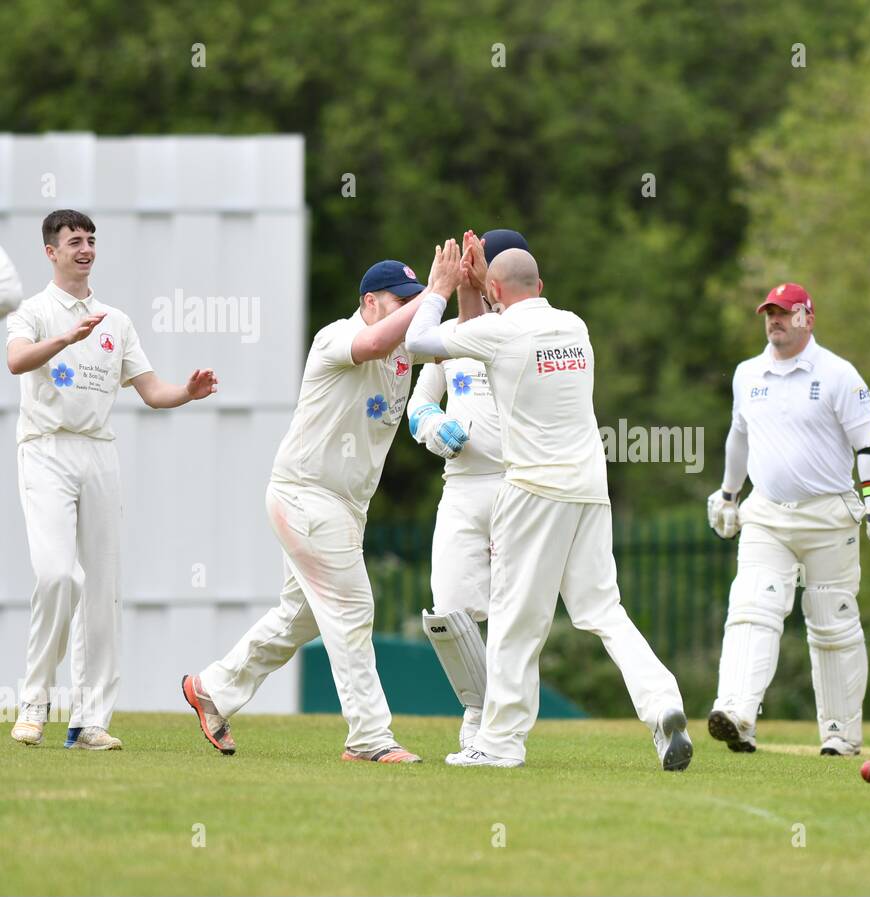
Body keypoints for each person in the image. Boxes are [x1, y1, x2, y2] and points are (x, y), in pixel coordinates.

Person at [405, 247, 692, 770]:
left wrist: (441, 288)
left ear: (495, 292)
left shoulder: (500, 332)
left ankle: (499, 745)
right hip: (589, 487)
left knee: (517, 620)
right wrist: (485, 286)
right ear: (539, 286)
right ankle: (663, 702)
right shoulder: (574, 326)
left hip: (534, 489)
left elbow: (418, 342)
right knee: (603, 610)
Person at [181, 247, 467, 763]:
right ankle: (369, 738)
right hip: (306, 494)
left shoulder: (405, 350)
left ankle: (212, 689)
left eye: (414, 301)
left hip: (344, 507)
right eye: (400, 300)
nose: (411, 310)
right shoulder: (338, 336)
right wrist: (435, 292)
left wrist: (468, 282)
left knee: (300, 616)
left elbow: (459, 337)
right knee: (354, 609)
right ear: (368, 302)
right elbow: (377, 339)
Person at [6, 210, 218, 751]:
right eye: (74, 241)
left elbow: (150, 391)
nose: (85, 248)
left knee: (102, 590)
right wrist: (63, 339)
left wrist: (187, 393)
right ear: (50, 251)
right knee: (58, 576)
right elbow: (15, 361)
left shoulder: (114, 320)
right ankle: (32, 705)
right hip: (46, 449)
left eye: (91, 240)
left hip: (98, 452)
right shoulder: (33, 312)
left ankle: (89, 720)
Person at [705, 282, 870, 756]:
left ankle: (840, 733)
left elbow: (869, 446)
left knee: (832, 623)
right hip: (768, 515)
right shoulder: (747, 374)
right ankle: (736, 711)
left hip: (829, 516)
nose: (775, 320)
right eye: (769, 313)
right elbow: (739, 438)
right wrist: (729, 494)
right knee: (753, 607)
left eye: (785, 313)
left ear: (807, 319)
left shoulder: (840, 376)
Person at [410, 229, 527, 751]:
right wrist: (435, 428)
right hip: (460, 486)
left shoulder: (528, 333)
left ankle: (495, 726)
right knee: (449, 609)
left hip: (515, 485)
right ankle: (476, 705)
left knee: (509, 609)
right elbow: (419, 405)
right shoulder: (452, 339)